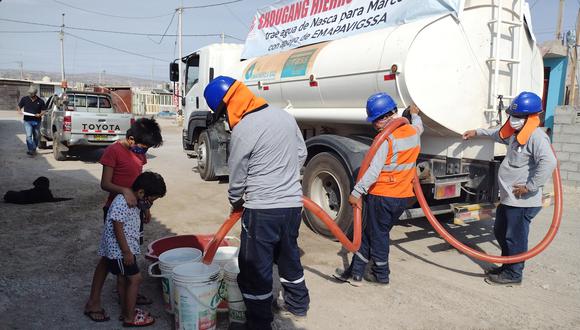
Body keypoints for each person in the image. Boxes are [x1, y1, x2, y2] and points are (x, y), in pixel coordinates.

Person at [203, 76, 309, 329]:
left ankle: (259, 322)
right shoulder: (283, 116)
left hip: (262, 210)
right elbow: (302, 152)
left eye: (222, 114)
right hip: (293, 205)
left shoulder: (244, 128)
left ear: (228, 105)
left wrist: (235, 200)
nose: (225, 120)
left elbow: (237, 172)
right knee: (288, 254)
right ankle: (298, 304)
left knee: (255, 268)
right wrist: (284, 178)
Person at [462, 91, 556, 286]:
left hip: (522, 201)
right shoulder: (516, 134)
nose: (513, 120)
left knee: (515, 237)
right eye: (512, 115)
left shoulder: (536, 137)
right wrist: (477, 132)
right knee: (501, 231)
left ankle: (514, 274)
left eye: (518, 117)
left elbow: (549, 162)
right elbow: (496, 133)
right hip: (508, 199)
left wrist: (530, 187)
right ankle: (507, 265)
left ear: (531, 117)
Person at [336, 93, 423, 285]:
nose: (374, 125)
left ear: (382, 118)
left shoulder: (385, 140)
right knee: (369, 233)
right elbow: (419, 126)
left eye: (374, 120)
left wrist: (356, 193)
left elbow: (373, 172)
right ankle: (356, 273)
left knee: (379, 236)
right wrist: (415, 114)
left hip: (382, 196)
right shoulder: (412, 132)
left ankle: (381, 274)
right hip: (402, 197)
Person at [84, 118, 163, 322]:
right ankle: (93, 302)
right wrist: (124, 191)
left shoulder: (140, 154)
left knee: (130, 253)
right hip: (115, 210)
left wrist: (144, 206)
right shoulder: (114, 151)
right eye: (142, 148)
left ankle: (127, 297)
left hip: (133, 210)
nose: (143, 153)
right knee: (109, 255)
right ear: (130, 139)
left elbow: (139, 184)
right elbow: (105, 183)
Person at [96, 171, 166, 327]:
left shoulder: (134, 200)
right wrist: (126, 251)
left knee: (123, 278)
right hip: (120, 251)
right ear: (141, 192)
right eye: (151, 199)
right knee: (135, 279)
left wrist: (146, 210)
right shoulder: (123, 202)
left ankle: (126, 311)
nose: (151, 203)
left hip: (124, 249)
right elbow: (117, 226)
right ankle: (129, 317)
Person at [17, 85, 46, 156]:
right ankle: (30, 150)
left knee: (36, 136)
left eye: (31, 94)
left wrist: (40, 114)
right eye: (29, 93)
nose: (30, 95)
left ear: (35, 94)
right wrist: (19, 110)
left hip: (37, 121)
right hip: (27, 121)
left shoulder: (41, 101)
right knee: (28, 136)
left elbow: (44, 110)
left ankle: (34, 148)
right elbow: (19, 106)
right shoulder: (24, 99)